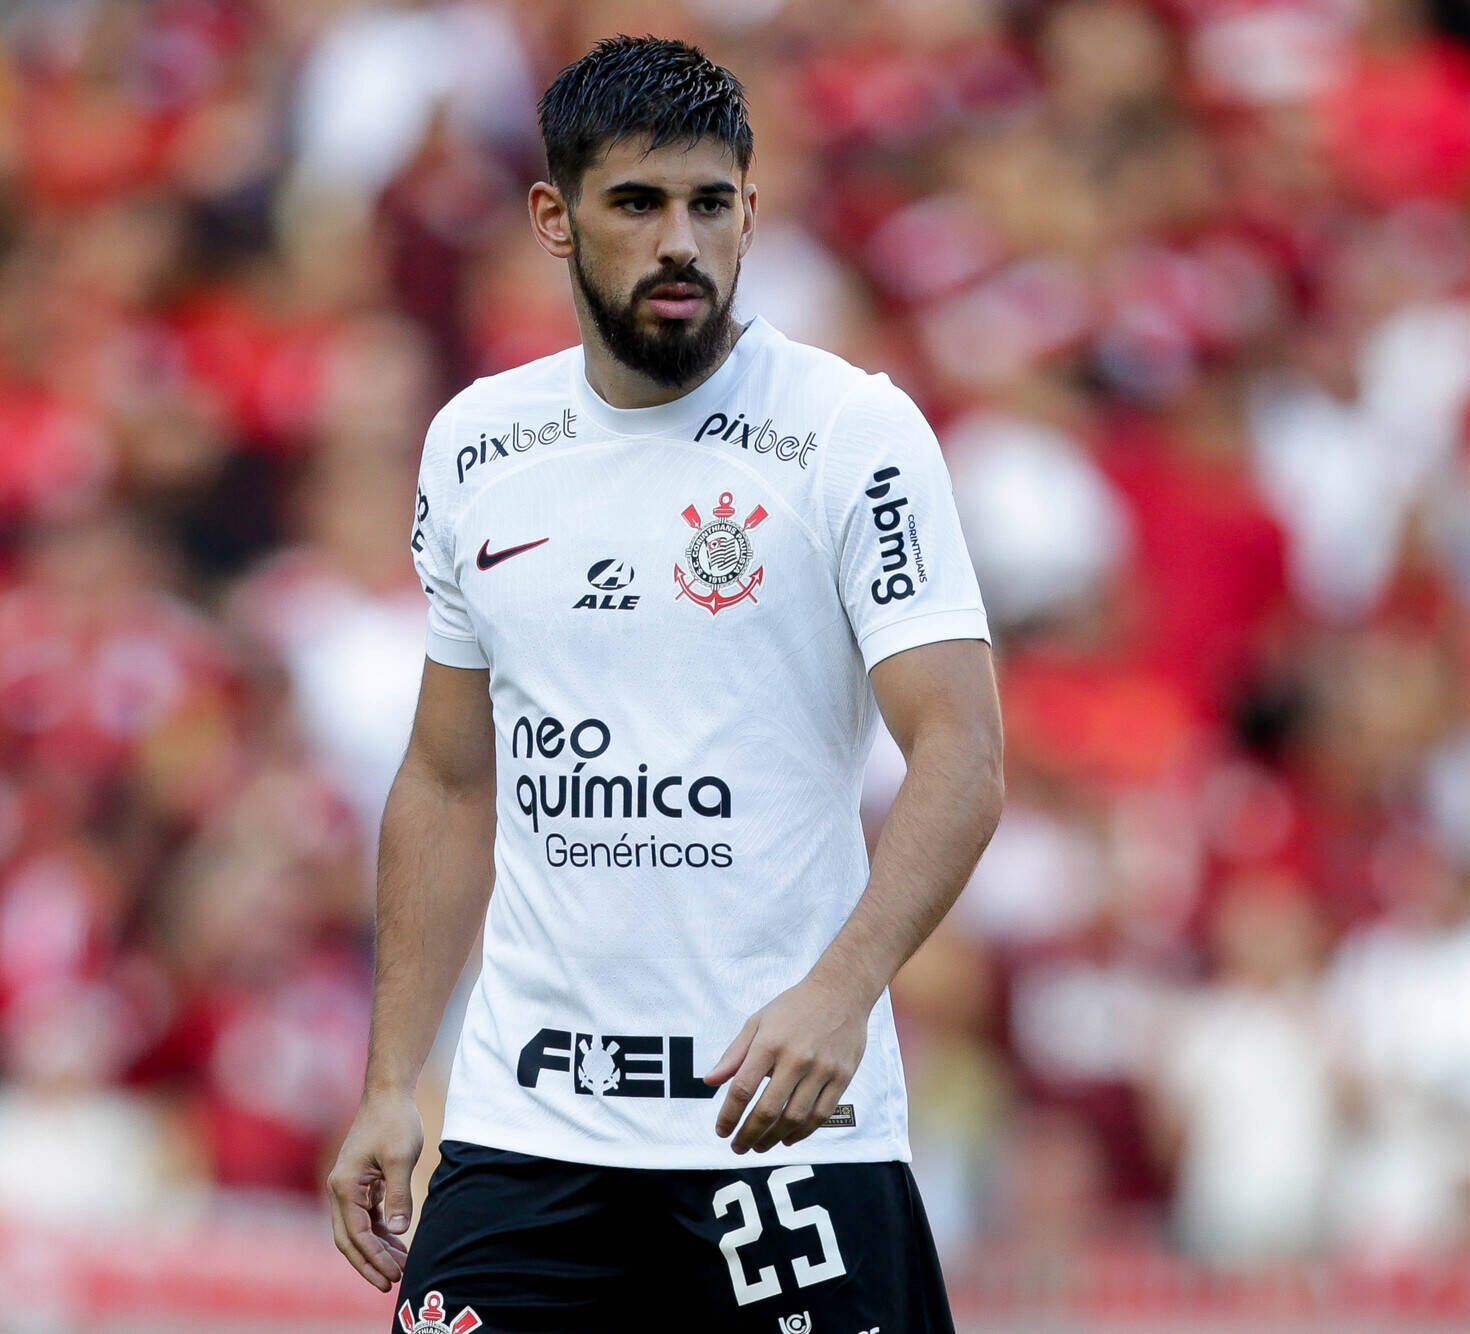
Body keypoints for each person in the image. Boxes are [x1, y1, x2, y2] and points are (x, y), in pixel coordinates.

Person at [326, 35, 1004, 1334]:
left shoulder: (849, 434)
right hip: (527, 1134)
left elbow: (962, 752)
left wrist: (842, 990)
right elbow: (450, 774)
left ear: (752, 210)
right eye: (636, 203)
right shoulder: (477, 445)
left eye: (709, 203)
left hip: (781, 1133)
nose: (679, 239)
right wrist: (391, 1079)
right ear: (553, 216)